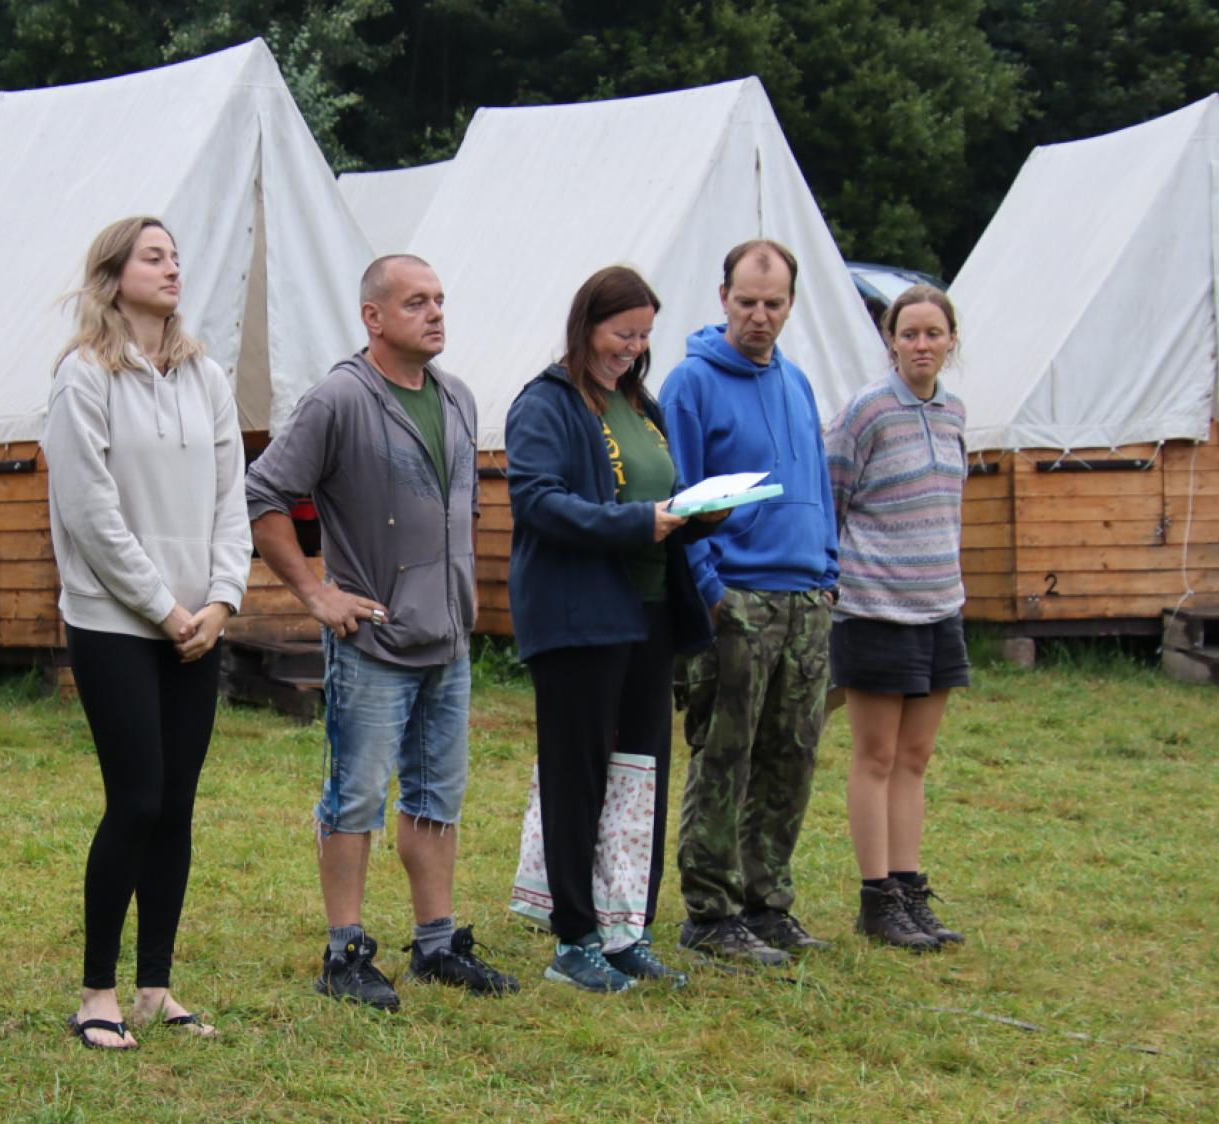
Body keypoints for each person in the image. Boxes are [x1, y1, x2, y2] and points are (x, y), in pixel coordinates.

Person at [245, 254, 516, 1010]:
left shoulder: (458, 398)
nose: (435, 313)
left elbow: (465, 509)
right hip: (372, 643)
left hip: (447, 641)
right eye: (416, 302)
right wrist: (315, 593)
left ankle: (436, 944)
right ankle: (345, 954)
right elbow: (263, 493)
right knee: (356, 796)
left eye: (439, 299)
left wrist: (459, 595)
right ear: (373, 316)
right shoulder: (340, 399)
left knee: (437, 795)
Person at [43, 217, 251, 1047]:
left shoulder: (206, 376)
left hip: (199, 623)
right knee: (135, 799)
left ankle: (155, 988)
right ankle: (96, 993)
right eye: (153, 256)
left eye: (176, 256)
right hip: (114, 619)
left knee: (176, 805)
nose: (172, 268)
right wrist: (163, 608)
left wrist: (222, 600)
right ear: (113, 274)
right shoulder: (83, 376)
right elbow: (88, 511)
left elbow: (232, 497)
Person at [504, 266, 725, 992]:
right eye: (621, 333)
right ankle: (574, 939)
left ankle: (626, 931)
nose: (632, 348)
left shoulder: (640, 403)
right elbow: (538, 502)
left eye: (643, 336)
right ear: (586, 326)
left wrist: (698, 512)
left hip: (649, 614)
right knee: (579, 777)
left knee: (637, 778)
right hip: (579, 619)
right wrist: (636, 523)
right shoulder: (546, 404)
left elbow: (659, 495)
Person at [658, 238, 839, 967]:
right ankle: (711, 910)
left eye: (773, 303)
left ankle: (768, 901)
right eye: (746, 302)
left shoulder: (798, 383)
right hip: (736, 596)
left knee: (791, 757)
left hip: (806, 596)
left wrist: (829, 567)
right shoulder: (690, 384)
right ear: (722, 298)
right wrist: (709, 591)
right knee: (724, 755)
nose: (759, 316)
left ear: (791, 305)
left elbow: (817, 480)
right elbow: (677, 494)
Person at [825, 285, 970, 952]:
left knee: (915, 757)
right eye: (909, 333)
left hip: (940, 607)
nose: (921, 345)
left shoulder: (954, 412)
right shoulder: (867, 411)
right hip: (875, 608)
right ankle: (877, 897)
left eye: (933, 333)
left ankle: (910, 890)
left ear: (951, 340)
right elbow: (832, 494)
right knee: (877, 755)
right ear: (890, 340)